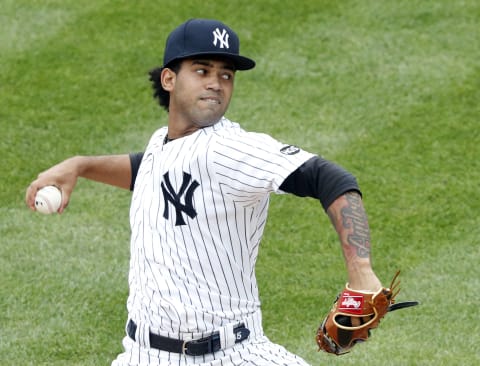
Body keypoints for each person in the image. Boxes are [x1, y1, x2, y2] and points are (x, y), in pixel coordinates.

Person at [26, 18, 382, 366]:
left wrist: (361, 271)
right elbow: (147, 168)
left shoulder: (230, 148)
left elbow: (330, 179)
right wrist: (81, 165)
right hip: (143, 354)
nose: (216, 83)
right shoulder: (162, 144)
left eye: (225, 75)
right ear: (169, 78)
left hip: (235, 354)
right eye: (202, 70)